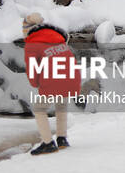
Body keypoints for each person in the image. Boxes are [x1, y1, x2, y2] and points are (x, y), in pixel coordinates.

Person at [23, 13, 81, 155]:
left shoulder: (32, 43)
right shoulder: (57, 38)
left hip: (54, 79)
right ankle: (62, 138)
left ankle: (48, 143)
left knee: (39, 109)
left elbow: (32, 69)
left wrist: (35, 83)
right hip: (72, 77)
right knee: (60, 104)